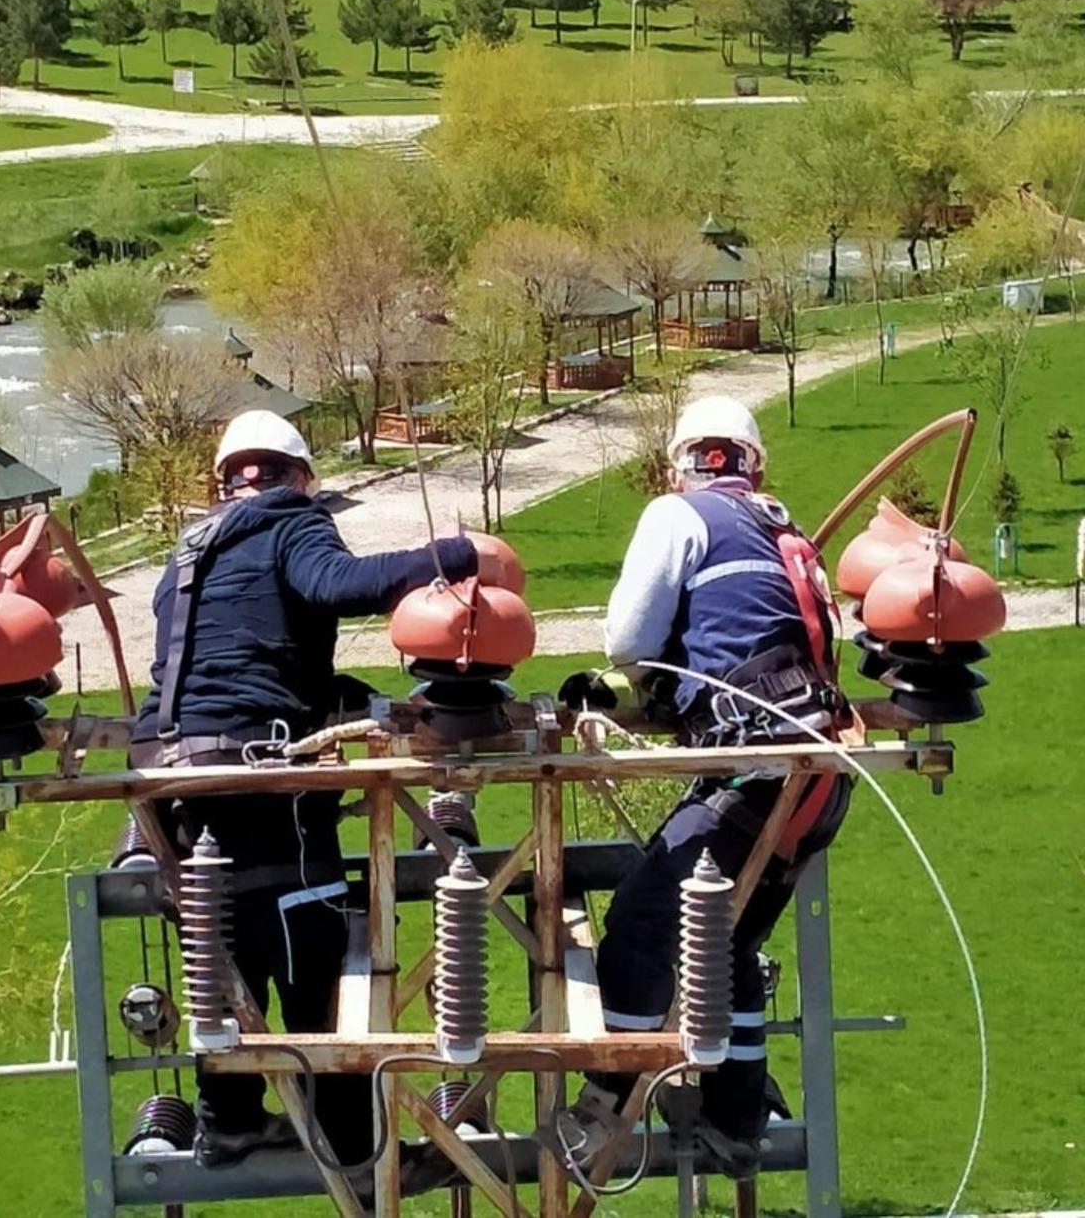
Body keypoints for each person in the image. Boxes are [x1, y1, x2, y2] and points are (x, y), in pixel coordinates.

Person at [130, 409, 501, 1168]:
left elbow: (227, 653)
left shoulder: (189, 551)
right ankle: (353, 1154)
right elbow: (338, 584)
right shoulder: (291, 519)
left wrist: (342, 692)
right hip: (269, 778)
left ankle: (229, 1121)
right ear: (300, 478)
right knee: (315, 967)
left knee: (221, 957)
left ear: (225, 481)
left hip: (179, 780)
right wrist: (459, 555)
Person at [555, 394, 851, 1178]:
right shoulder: (784, 528)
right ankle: (735, 1114)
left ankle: (608, 1100)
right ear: (755, 463)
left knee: (644, 923)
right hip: (818, 778)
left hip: (756, 771)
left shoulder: (678, 515)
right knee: (727, 938)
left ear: (679, 462)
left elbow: (629, 637)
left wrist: (647, 684)